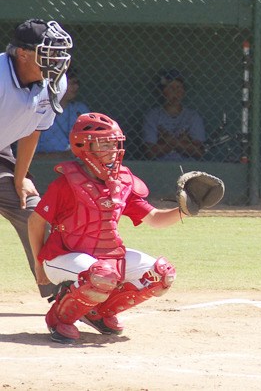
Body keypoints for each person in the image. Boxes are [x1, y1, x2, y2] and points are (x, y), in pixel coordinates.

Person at [28, 112, 181, 344]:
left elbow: (155, 219)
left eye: (114, 144)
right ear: (83, 146)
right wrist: (39, 265)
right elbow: (35, 221)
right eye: (104, 144)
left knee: (161, 274)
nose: (112, 150)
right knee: (102, 275)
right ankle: (59, 317)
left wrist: (185, 210)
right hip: (62, 257)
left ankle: (97, 312)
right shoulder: (66, 183)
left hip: (106, 259)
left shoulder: (123, 181)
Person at [0, 18, 73, 299]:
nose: (57, 59)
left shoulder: (55, 82)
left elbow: (33, 129)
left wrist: (20, 179)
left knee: (35, 212)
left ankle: (62, 294)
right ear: (22, 54)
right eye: (49, 52)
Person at [142, 69, 206, 160]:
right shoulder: (153, 116)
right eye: (171, 88)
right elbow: (150, 152)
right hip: (159, 167)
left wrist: (167, 140)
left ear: (184, 91)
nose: (176, 92)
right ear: (162, 91)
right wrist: (184, 142)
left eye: (179, 88)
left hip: (189, 168)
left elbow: (198, 152)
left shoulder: (193, 116)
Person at [35, 66, 89, 159]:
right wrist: (62, 156)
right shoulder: (41, 110)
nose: (76, 87)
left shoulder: (80, 109)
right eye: (71, 83)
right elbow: (30, 156)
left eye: (76, 83)